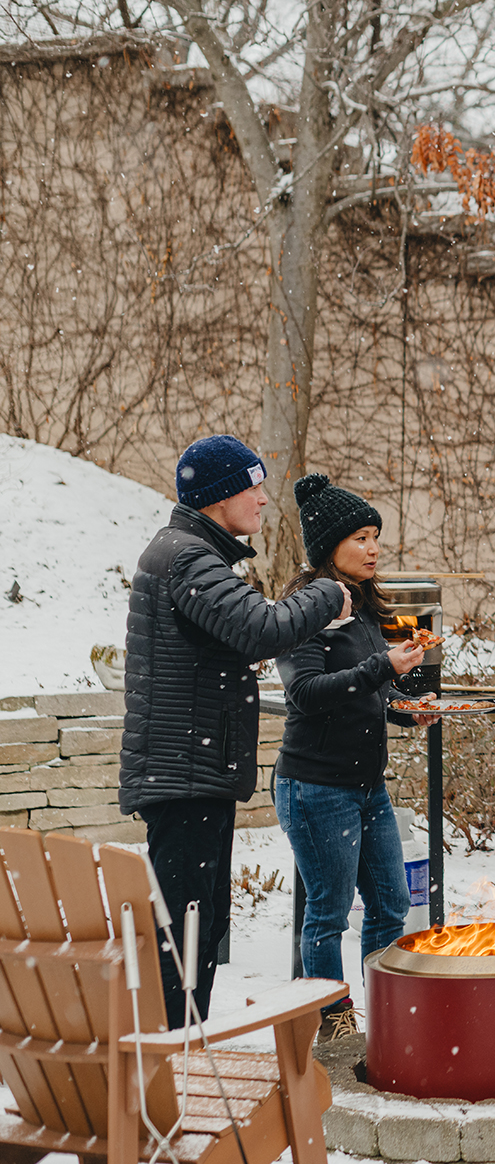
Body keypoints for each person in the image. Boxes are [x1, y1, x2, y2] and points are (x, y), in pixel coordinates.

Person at [120, 435, 350, 1029]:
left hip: (191, 773)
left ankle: (177, 1056)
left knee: (199, 928)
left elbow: (238, 633)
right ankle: (168, 1065)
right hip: (185, 778)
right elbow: (261, 630)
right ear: (221, 495)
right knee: (187, 933)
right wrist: (327, 593)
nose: (265, 499)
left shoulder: (191, 553)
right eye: (254, 486)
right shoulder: (189, 556)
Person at [274, 473, 438, 1041]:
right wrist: (383, 669)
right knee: (327, 911)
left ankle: (388, 1018)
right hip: (316, 786)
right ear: (328, 548)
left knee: (391, 905)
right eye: (360, 538)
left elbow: (367, 688)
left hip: (368, 786)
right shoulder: (304, 607)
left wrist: (403, 707)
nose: (373, 548)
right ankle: (333, 1024)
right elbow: (307, 692)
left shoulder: (363, 607)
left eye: (375, 536)